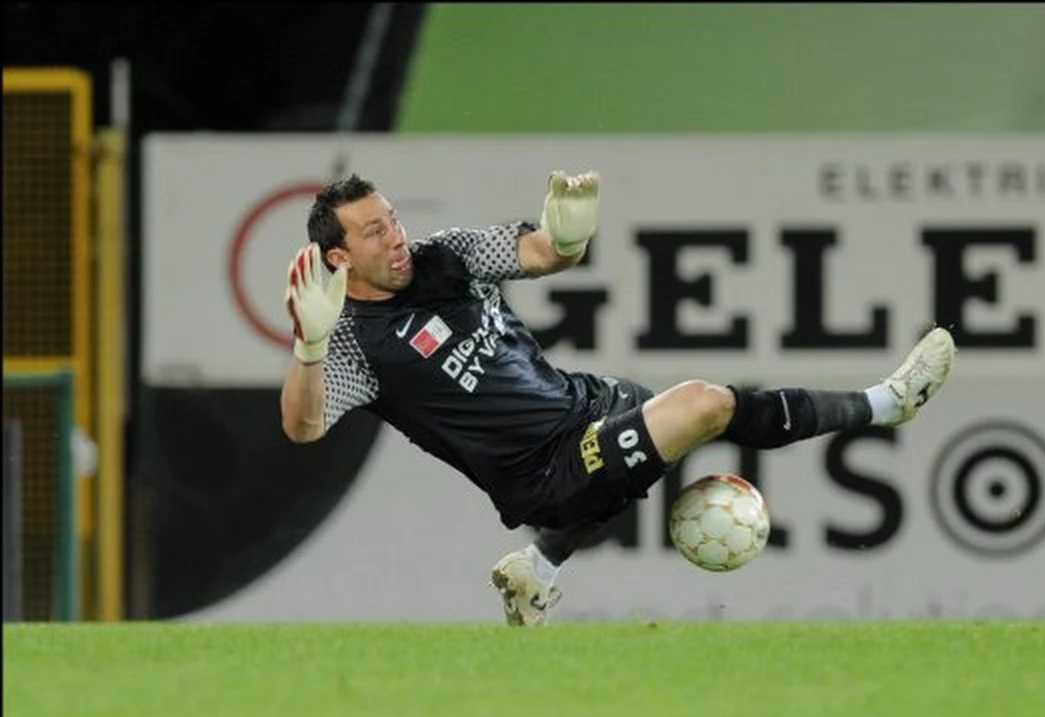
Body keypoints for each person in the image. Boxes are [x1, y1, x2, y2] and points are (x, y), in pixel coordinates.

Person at [280, 171, 956, 626]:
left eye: (392, 219)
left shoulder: (444, 257)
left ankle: (537, 570)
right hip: (544, 476)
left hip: (587, 402)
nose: (394, 236)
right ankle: (887, 403)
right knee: (703, 405)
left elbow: (543, 253)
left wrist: (567, 235)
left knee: (677, 426)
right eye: (373, 232)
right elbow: (304, 427)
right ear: (338, 258)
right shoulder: (351, 346)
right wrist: (308, 348)